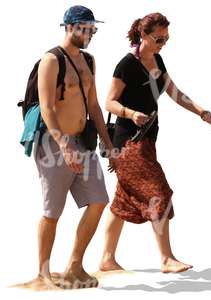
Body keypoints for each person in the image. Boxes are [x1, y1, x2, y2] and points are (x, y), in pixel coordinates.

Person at [100, 12, 211, 273]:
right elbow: (109, 101)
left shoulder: (155, 60)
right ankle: (166, 258)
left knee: (123, 203)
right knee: (158, 193)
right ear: (143, 34)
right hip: (128, 143)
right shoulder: (127, 65)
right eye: (158, 39)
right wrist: (131, 114)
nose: (163, 43)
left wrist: (201, 111)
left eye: (166, 39)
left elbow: (173, 92)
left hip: (146, 142)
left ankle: (106, 259)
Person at [32, 5, 116, 288]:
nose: (90, 34)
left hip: (84, 143)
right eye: (84, 28)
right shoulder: (51, 60)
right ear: (69, 27)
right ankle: (43, 273)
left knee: (99, 200)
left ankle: (74, 266)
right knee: (52, 211)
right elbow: (46, 107)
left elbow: (94, 105)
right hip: (54, 145)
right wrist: (64, 145)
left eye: (93, 29)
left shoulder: (90, 61)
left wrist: (109, 145)